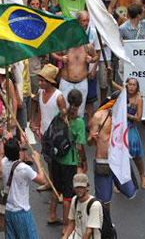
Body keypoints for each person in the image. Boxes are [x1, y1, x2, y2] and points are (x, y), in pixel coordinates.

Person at [87, 95, 136, 209]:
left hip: (119, 162)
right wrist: (92, 138)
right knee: (104, 200)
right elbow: (89, 142)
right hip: (103, 161)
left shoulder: (123, 117)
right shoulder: (98, 116)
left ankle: (117, 185)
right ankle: (106, 225)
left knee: (130, 191)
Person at [47, 90, 87, 227]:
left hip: (57, 158)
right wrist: (83, 162)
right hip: (70, 162)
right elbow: (80, 147)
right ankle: (66, 226)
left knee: (56, 188)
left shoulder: (61, 115)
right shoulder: (79, 122)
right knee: (68, 195)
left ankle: (51, 214)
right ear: (81, 103)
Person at [2, 138, 46, 239]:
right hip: (21, 211)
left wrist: (21, 145)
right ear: (18, 152)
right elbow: (42, 180)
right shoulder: (24, 168)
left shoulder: (3, 162)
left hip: (8, 210)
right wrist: (38, 162)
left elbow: (12, 155)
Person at [61, 173, 104, 239]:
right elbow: (72, 222)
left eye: (82, 187)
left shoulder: (94, 205)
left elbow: (89, 231)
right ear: (73, 187)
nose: (79, 190)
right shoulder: (74, 200)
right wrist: (65, 237)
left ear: (88, 188)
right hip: (77, 235)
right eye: (77, 187)